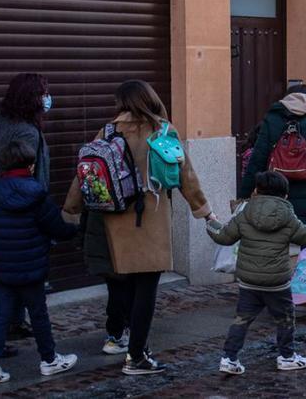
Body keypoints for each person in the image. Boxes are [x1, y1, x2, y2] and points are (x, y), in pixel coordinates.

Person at [63, 80, 216, 375]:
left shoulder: (107, 131)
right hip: (150, 222)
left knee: (123, 287)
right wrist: (205, 212)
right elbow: (187, 176)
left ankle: (126, 343)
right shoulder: (163, 131)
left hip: (113, 222)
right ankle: (137, 356)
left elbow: (83, 177)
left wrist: (70, 211)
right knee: (146, 290)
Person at [0, 141, 78, 384]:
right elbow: (57, 228)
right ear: (30, 166)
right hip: (32, 269)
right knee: (39, 314)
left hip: (3, 270)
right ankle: (49, 360)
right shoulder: (37, 195)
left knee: (0, 317)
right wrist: (76, 229)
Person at [209, 171, 306, 375]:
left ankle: (229, 359)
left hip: (249, 281)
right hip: (276, 281)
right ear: (285, 195)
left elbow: (223, 237)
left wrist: (211, 222)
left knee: (241, 319)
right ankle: (287, 356)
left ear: (256, 191)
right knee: (285, 319)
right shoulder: (288, 216)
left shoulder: (245, 213)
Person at [0, 72, 54, 351]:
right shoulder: (28, 132)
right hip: (16, 214)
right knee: (5, 277)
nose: (48, 99)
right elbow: (31, 178)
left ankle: (14, 321)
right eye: (44, 93)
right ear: (33, 98)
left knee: (2, 272)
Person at [240, 84, 306, 225]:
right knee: (303, 239)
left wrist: (243, 195)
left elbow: (257, 159)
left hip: (274, 194)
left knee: (275, 240)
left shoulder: (271, 118)